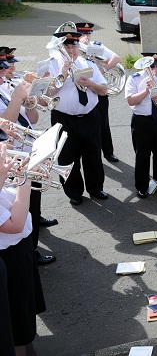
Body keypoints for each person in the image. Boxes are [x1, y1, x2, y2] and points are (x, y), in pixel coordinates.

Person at [0, 51, 55, 266]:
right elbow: (4, 127)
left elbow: (32, 118)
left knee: (33, 198)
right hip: (12, 158)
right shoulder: (9, 90)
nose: (6, 70)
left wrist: (30, 102)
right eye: (2, 68)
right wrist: (17, 99)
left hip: (27, 149)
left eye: (5, 67)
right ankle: (31, 252)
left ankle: (35, 222)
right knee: (18, 205)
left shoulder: (6, 86)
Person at [47, 31, 109, 206]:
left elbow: (104, 90)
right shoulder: (52, 65)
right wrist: (63, 74)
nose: (70, 50)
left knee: (93, 154)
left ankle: (95, 188)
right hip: (63, 118)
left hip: (89, 117)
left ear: (78, 47)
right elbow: (48, 94)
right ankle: (74, 192)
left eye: (73, 46)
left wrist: (91, 84)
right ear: (60, 48)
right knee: (67, 157)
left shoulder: (88, 64)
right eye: (66, 46)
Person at [0, 139, 46, 356]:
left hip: (20, 250)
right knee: (17, 322)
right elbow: (15, 224)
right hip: (9, 257)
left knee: (25, 314)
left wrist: (20, 175)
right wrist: (24, 179)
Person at [124, 52, 157, 199]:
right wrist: (146, 91)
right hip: (142, 121)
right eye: (152, 66)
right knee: (142, 155)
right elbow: (131, 101)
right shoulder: (134, 79)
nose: (155, 70)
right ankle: (142, 186)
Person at [76, 22, 121, 163]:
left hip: (98, 87)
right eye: (83, 33)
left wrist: (103, 70)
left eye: (88, 33)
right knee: (84, 122)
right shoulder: (72, 48)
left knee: (103, 122)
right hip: (81, 87)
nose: (86, 36)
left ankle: (108, 152)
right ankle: (87, 153)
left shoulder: (96, 46)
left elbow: (116, 58)